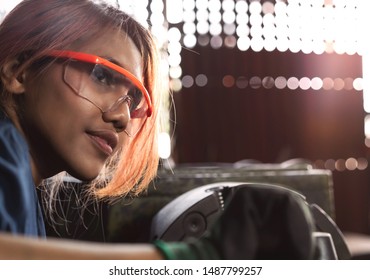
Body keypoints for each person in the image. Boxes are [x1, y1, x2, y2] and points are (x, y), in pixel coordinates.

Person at [0, 0, 317, 260]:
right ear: (19, 71)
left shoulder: (27, 195)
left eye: (133, 98)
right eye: (102, 76)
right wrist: (187, 261)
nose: (123, 117)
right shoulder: (5, 144)